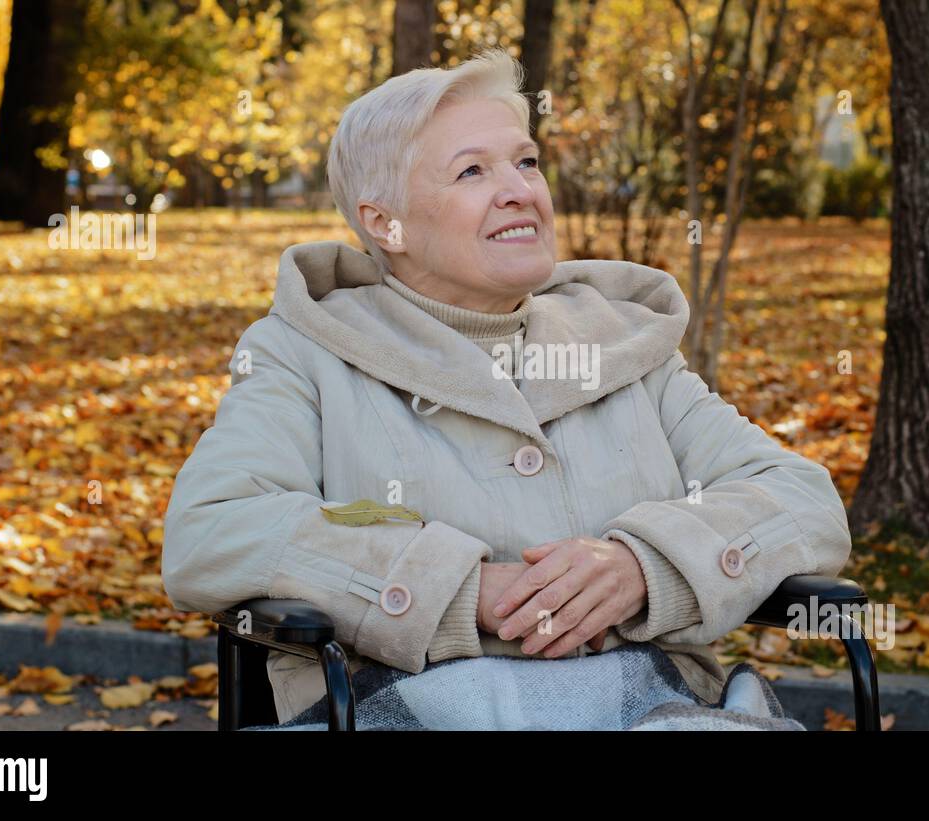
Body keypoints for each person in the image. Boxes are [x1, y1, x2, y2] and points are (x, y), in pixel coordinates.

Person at [161, 48, 852, 728]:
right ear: (383, 222)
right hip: (399, 704)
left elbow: (803, 501)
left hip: (649, 702)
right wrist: (456, 589)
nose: (521, 189)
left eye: (526, 161)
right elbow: (210, 529)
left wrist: (646, 566)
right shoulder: (306, 352)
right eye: (471, 171)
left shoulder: (620, 343)